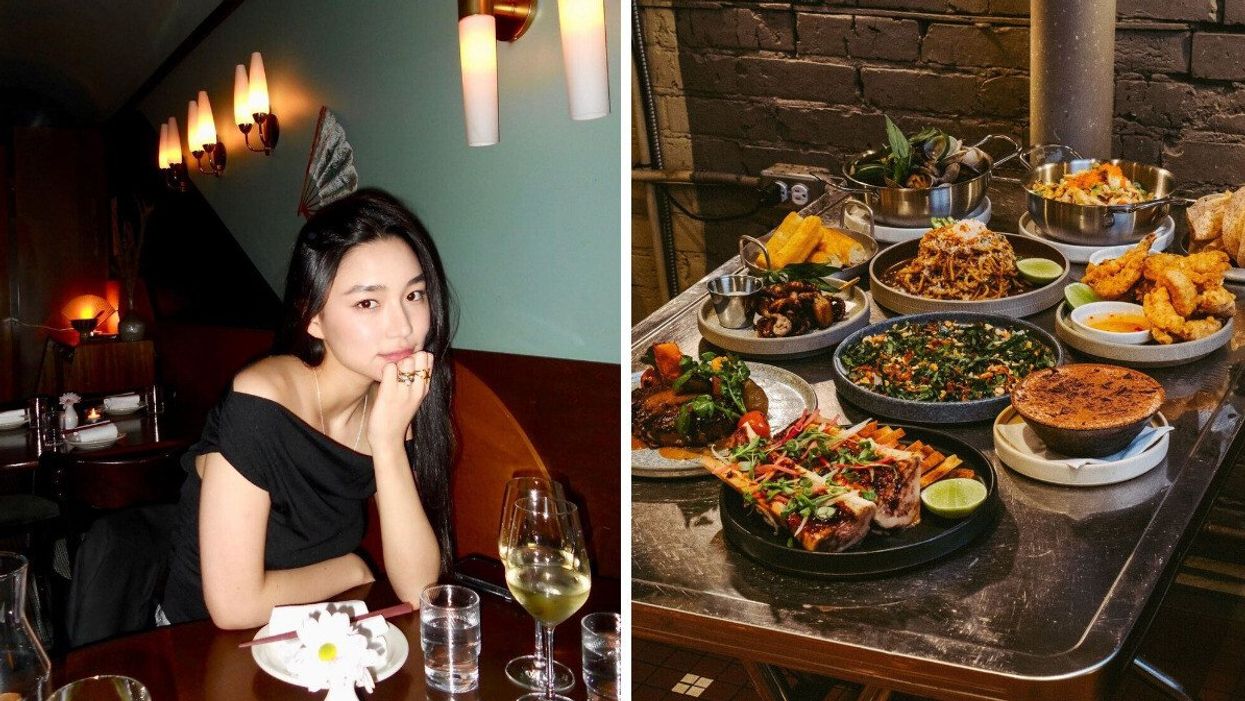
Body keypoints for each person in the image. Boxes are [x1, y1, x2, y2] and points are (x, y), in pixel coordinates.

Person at [162, 188, 456, 628]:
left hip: (316, 635)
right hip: (198, 649)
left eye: (414, 295)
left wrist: (388, 441)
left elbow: (419, 588)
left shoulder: (393, 401)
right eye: (367, 303)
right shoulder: (259, 403)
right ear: (313, 318)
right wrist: (349, 569)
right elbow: (233, 607)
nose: (404, 326)